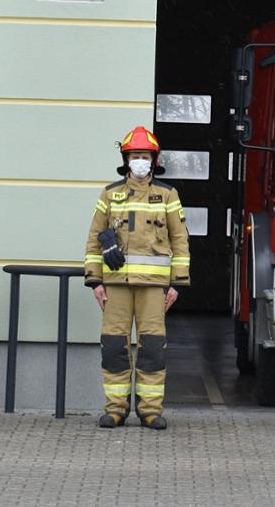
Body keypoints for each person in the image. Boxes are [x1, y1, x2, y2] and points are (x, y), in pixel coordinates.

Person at [84, 126, 189, 430]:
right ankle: (115, 409)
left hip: (154, 288)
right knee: (115, 347)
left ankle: (150, 410)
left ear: (154, 160)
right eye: (135, 156)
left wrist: (176, 283)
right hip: (116, 286)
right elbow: (94, 238)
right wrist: (95, 280)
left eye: (145, 156)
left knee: (153, 349)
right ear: (126, 159)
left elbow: (180, 240)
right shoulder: (110, 194)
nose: (140, 161)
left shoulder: (168, 195)